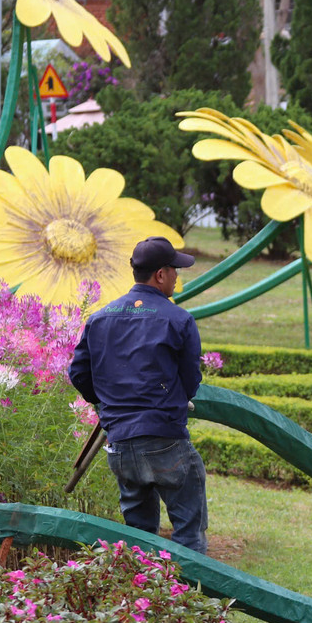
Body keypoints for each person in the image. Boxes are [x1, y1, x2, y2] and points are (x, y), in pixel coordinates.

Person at [68, 237, 209, 555]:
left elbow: (78, 373)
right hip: (164, 440)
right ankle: (189, 597)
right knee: (189, 531)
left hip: (120, 443)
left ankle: (142, 599)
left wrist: (108, 405)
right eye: (174, 270)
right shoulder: (178, 320)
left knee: (138, 539)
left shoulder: (100, 318)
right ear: (160, 274)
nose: (177, 276)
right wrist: (172, 401)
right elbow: (190, 379)